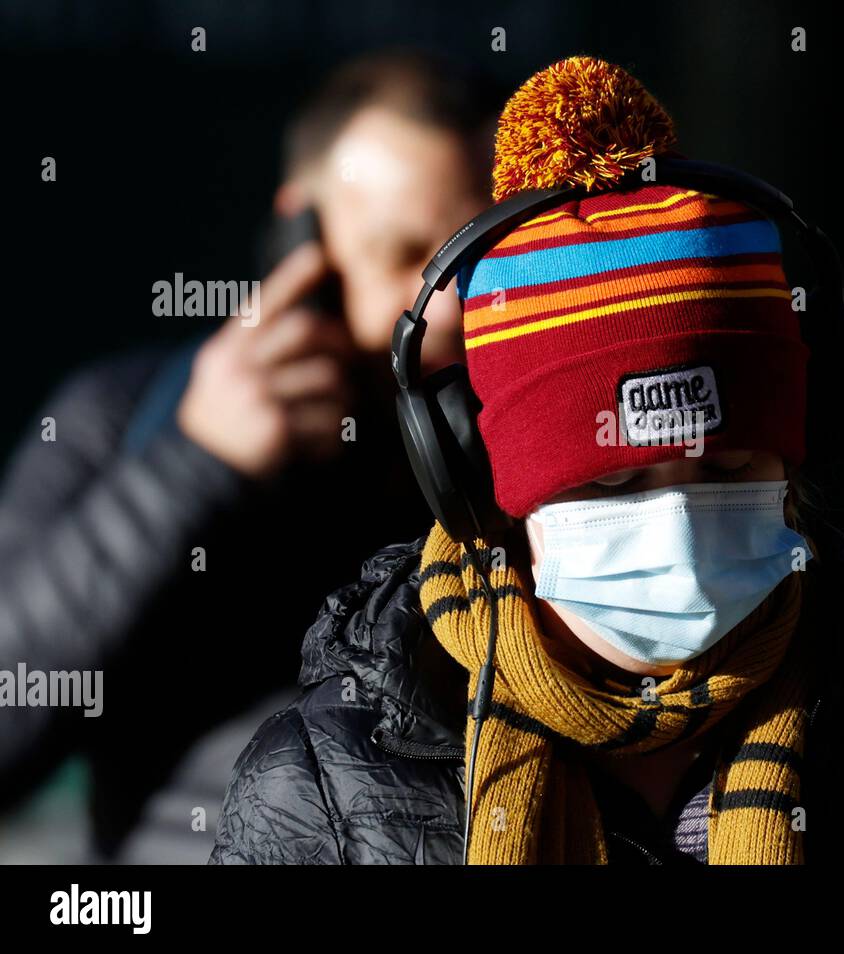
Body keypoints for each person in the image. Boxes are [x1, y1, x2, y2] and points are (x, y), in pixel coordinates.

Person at [210, 56, 844, 865]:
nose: (679, 523)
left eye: (725, 471)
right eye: (612, 482)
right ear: (486, 487)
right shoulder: (324, 785)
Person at [0, 51, 499, 862]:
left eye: (480, 259)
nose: (447, 305)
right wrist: (192, 463)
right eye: (406, 254)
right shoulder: (129, 416)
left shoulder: (546, 450)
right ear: (299, 236)